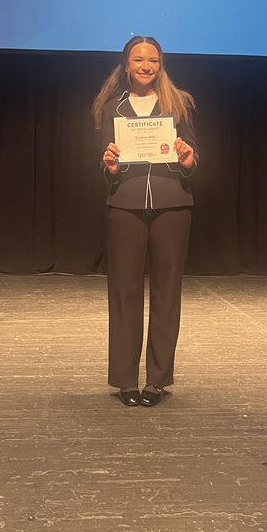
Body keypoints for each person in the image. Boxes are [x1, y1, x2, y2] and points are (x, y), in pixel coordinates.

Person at [92, 35, 198, 407]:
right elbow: (108, 164)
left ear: (161, 64)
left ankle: (157, 381)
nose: (146, 66)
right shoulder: (112, 109)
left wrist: (187, 161)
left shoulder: (178, 105)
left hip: (172, 205)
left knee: (167, 293)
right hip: (125, 206)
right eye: (138, 59)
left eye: (152, 60)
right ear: (126, 65)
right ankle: (125, 381)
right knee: (124, 293)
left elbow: (191, 157)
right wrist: (109, 166)